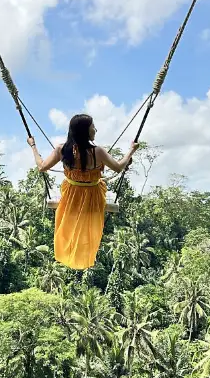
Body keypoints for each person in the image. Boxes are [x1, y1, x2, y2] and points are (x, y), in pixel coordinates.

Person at [28, 114, 139, 270]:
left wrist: (33, 146)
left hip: (71, 196)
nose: (95, 130)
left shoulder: (62, 149)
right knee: (88, 230)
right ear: (85, 131)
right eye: (93, 127)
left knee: (68, 229)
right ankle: (82, 256)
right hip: (93, 195)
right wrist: (131, 151)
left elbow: (41, 166)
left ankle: (70, 254)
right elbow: (118, 167)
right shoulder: (98, 152)